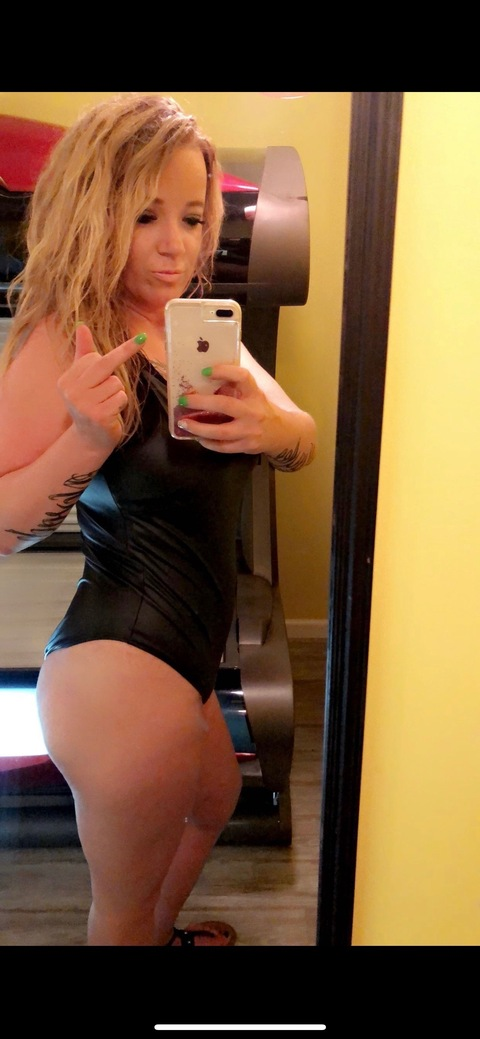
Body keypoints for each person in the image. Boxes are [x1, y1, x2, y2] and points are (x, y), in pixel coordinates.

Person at [0, 93, 317, 946]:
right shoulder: (67, 335)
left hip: (183, 653)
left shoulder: (194, 331)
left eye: (191, 216)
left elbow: (303, 435)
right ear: (94, 212)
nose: (175, 244)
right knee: (120, 911)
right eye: (145, 217)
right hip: (120, 672)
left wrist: (272, 429)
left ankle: (160, 932)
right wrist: (84, 441)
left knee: (214, 797)